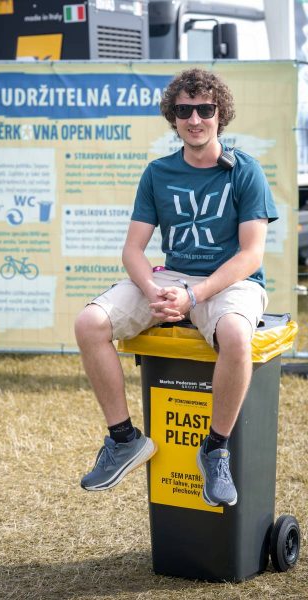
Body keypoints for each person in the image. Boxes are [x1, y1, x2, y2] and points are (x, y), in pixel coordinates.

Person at [74, 68, 278, 506]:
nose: (195, 119)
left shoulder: (244, 170)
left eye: (205, 109)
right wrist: (152, 290)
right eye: (184, 110)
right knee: (89, 323)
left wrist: (195, 296)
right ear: (173, 117)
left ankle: (215, 448)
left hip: (229, 282)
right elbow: (133, 250)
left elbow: (251, 256)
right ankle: (124, 439)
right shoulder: (158, 172)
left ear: (220, 114)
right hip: (170, 279)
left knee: (237, 338)